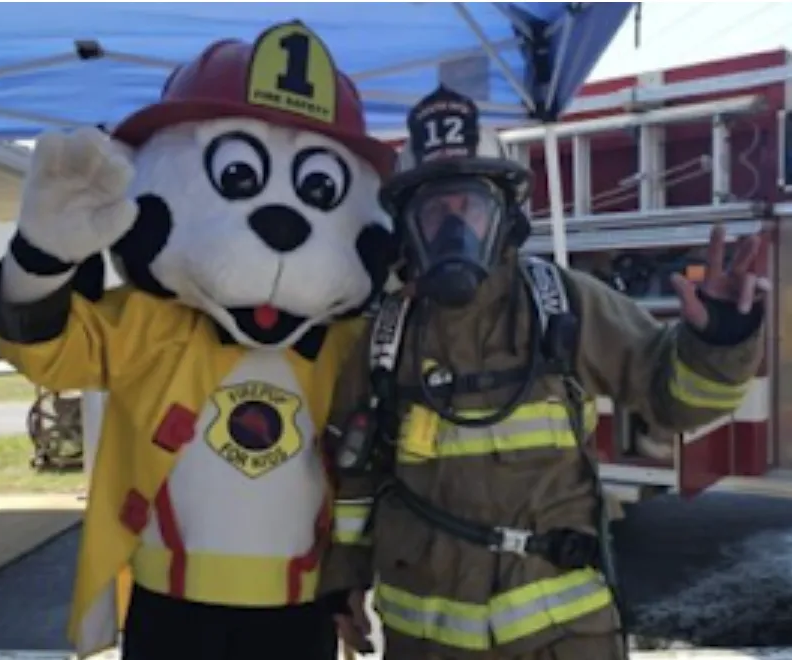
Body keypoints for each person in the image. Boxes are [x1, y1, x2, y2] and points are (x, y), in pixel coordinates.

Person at [0, 21, 395, 660]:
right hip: (172, 606)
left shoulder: (351, 343)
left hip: (298, 606)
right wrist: (41, 258)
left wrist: (348, 582)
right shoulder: (150, 322)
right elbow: (49, 351)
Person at [318, 85, 768, 660]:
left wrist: (717, 341)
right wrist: (345, 582)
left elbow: (675, 399)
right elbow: (358, 477)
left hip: (560, 641)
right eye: (436, 213)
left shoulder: (563, 303)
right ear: (409, 228)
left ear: (504, 219)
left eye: (470, 210)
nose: (455, 231)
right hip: (425, 640)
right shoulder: (386, 336)